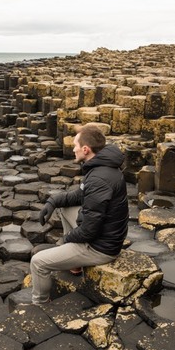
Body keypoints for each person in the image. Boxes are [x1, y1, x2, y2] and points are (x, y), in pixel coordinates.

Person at [31, 124, 129, 304]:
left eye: (75, 145)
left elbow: (89, 231)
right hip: (105, 235)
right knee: (64, 207)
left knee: (38, 262)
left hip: (100, 247)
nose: (73, 148)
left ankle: (40, 305)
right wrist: (52, 202)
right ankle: (75, 265)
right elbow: (79, 195)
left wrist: (65, 242)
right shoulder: (101, 165)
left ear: (86, 149)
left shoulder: (99, 178)